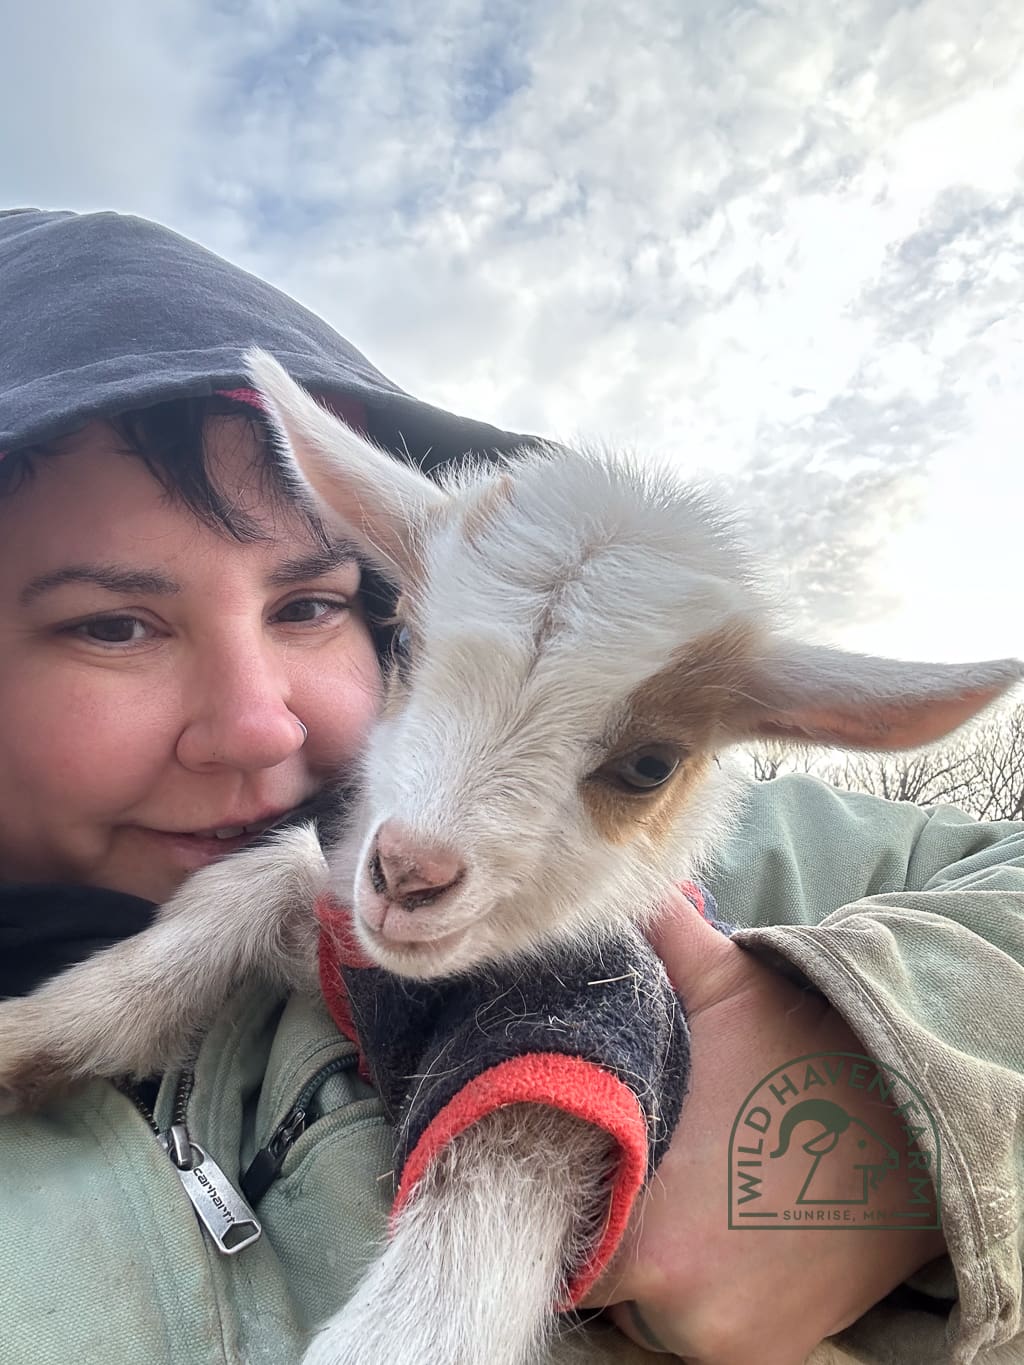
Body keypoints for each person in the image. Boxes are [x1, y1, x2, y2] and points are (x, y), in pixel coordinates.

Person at [0, 206, 1020, 1365]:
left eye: (312, 605)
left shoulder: (741, 871)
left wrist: (880, 1091)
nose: (254, 724)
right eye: (113, 625)